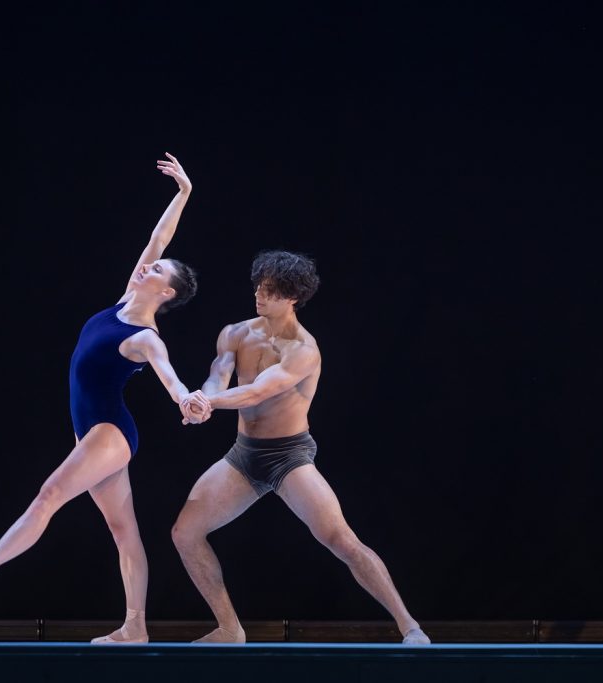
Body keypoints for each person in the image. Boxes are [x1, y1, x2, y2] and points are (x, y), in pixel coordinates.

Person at [0, 153, 208, 646]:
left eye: (158, 271)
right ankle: (135, 627)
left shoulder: (147, 335)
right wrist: (183, 194)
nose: (148, 264)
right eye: (151, 264)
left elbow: (170, 378)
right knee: (122, 530)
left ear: (167, 294)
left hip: (110, 431)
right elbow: (159, 239)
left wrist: (185, 399)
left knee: (49, 496)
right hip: (92, 429)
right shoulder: (125, 297)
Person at [173, 251, 430, 645]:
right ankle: (230, 628)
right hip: (244, 454)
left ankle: (409, 626)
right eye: (259, 284)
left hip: (288, 456)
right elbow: (218, 377)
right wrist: (201, 403)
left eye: (271, 290)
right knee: (185, 533)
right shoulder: (235, 332)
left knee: (341, 540)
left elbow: (259, 390)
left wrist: (210, 403)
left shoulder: (303, 349)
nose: (260, 293)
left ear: (292, 297)